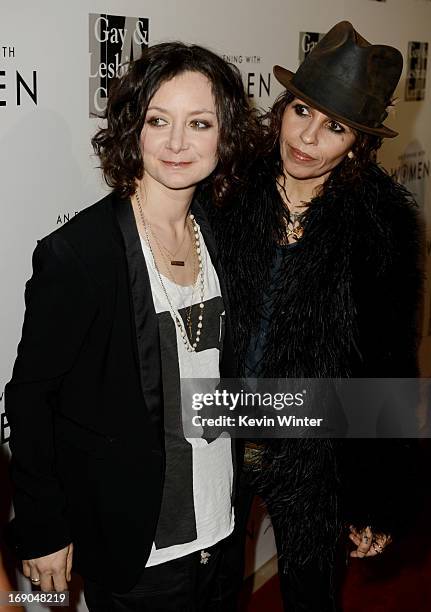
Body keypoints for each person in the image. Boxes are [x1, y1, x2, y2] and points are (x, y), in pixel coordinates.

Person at [5, 42, 258, 611]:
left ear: (226, 135)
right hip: (138, 550)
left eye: (199, 123)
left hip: (220, 530)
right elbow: (29, 397)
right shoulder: (81, 255)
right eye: (158, 120)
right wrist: (43, 527)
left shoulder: (222, 237)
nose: (176, 144)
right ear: (132, 129)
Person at [209, 21, 422, 611]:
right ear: (283, 106)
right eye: (302, 110)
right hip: (217, 421)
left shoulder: (382, 226)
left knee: (311, 593)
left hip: (313, 439)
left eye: (336, 127)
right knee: (210, 590)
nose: (307, 137)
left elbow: (389, 359)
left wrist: (379, 498)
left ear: (359, 142)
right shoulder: (226, 189)